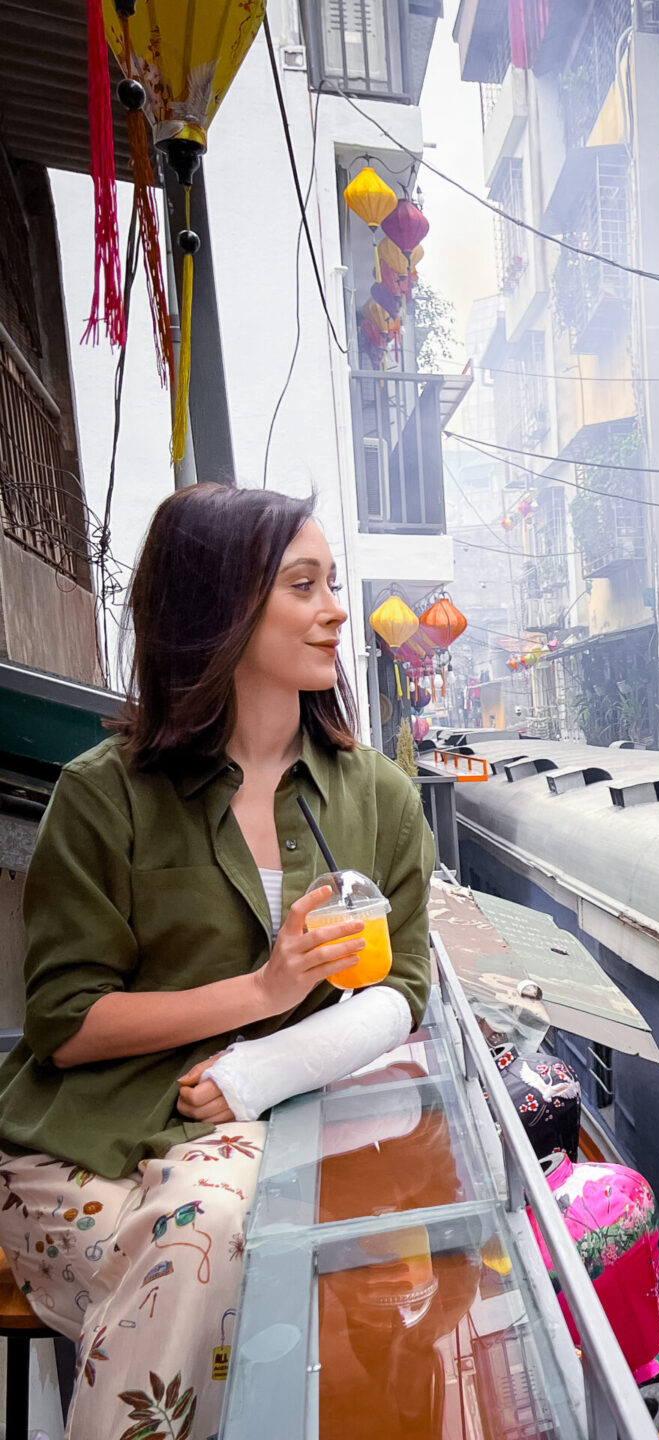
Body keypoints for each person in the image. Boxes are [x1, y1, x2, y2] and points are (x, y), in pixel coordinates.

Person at [0, 485, 434, 1440]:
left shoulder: (383, 801)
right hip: (84, 1144)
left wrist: (257, 1070)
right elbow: (66, 1024)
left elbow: (402, 989)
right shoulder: (102, 796)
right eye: (303, 585)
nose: (334, 611)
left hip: (258, 1140)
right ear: (220, 609)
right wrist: (262, 992)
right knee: (213, 1259)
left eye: (334, 584)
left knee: (208, 1238)